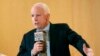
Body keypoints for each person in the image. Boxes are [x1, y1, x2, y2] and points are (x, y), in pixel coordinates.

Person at [17, 2, 93, 56]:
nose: (35, 19)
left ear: (47, 16)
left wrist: (86, 51)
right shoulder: (27, 37)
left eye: (38, 15)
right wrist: (32, 52)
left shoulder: (62, 29)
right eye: (32, 16)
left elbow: (77, 40)